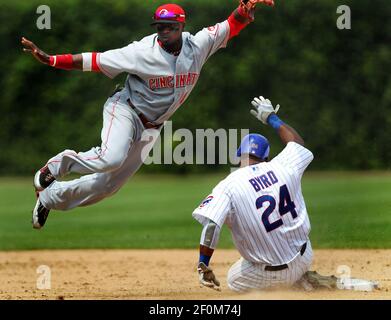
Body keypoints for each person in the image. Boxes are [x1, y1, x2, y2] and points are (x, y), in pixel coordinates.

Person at [21, 1, 275, 229]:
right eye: (159, 26)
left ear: (180, 25)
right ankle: (57, 165)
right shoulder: (142, 51)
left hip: (152, 127)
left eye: (168, 26)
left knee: (106, 186)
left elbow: (230, 26)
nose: (163, 30)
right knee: (111, 158)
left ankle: (49, 198)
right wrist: (51, 59)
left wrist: (243, 11)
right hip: (125, 111)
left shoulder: (198, 45)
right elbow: (95, 60)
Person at [192, 96, 315, 292]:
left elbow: (212, 224)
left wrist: (203, 264)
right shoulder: (282, 166)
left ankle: (285, 287)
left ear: (240, 156)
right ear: (266, 157)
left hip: (268, 275)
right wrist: (272, 118)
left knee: (233, 279)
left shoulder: (229, 185)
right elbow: (298, 144)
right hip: (304, 258)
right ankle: (299, 279)